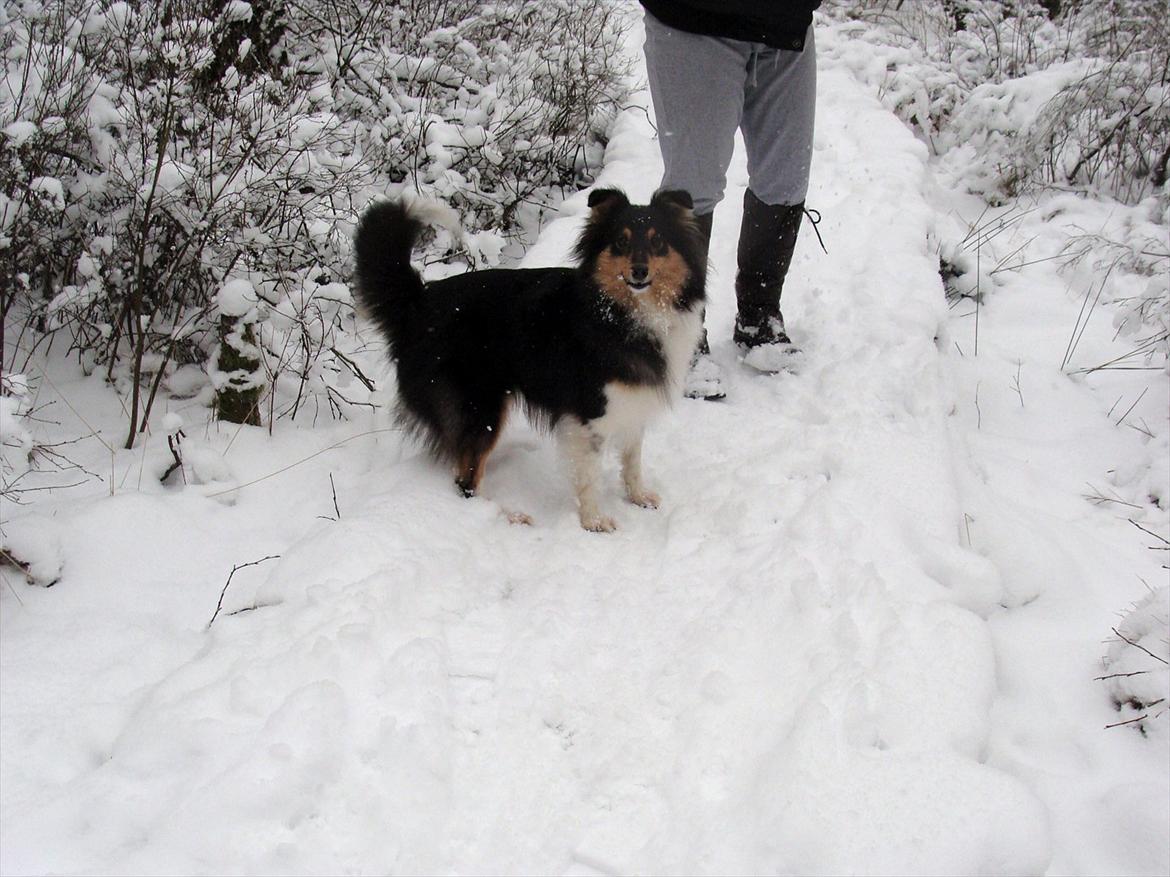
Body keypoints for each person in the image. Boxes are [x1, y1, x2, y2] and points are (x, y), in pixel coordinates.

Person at [639, 0, 822, 399]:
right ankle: (680, 332)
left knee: (786, 181)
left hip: (787, 27)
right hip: (695, 24)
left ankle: (759, 316)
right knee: (692, 188)